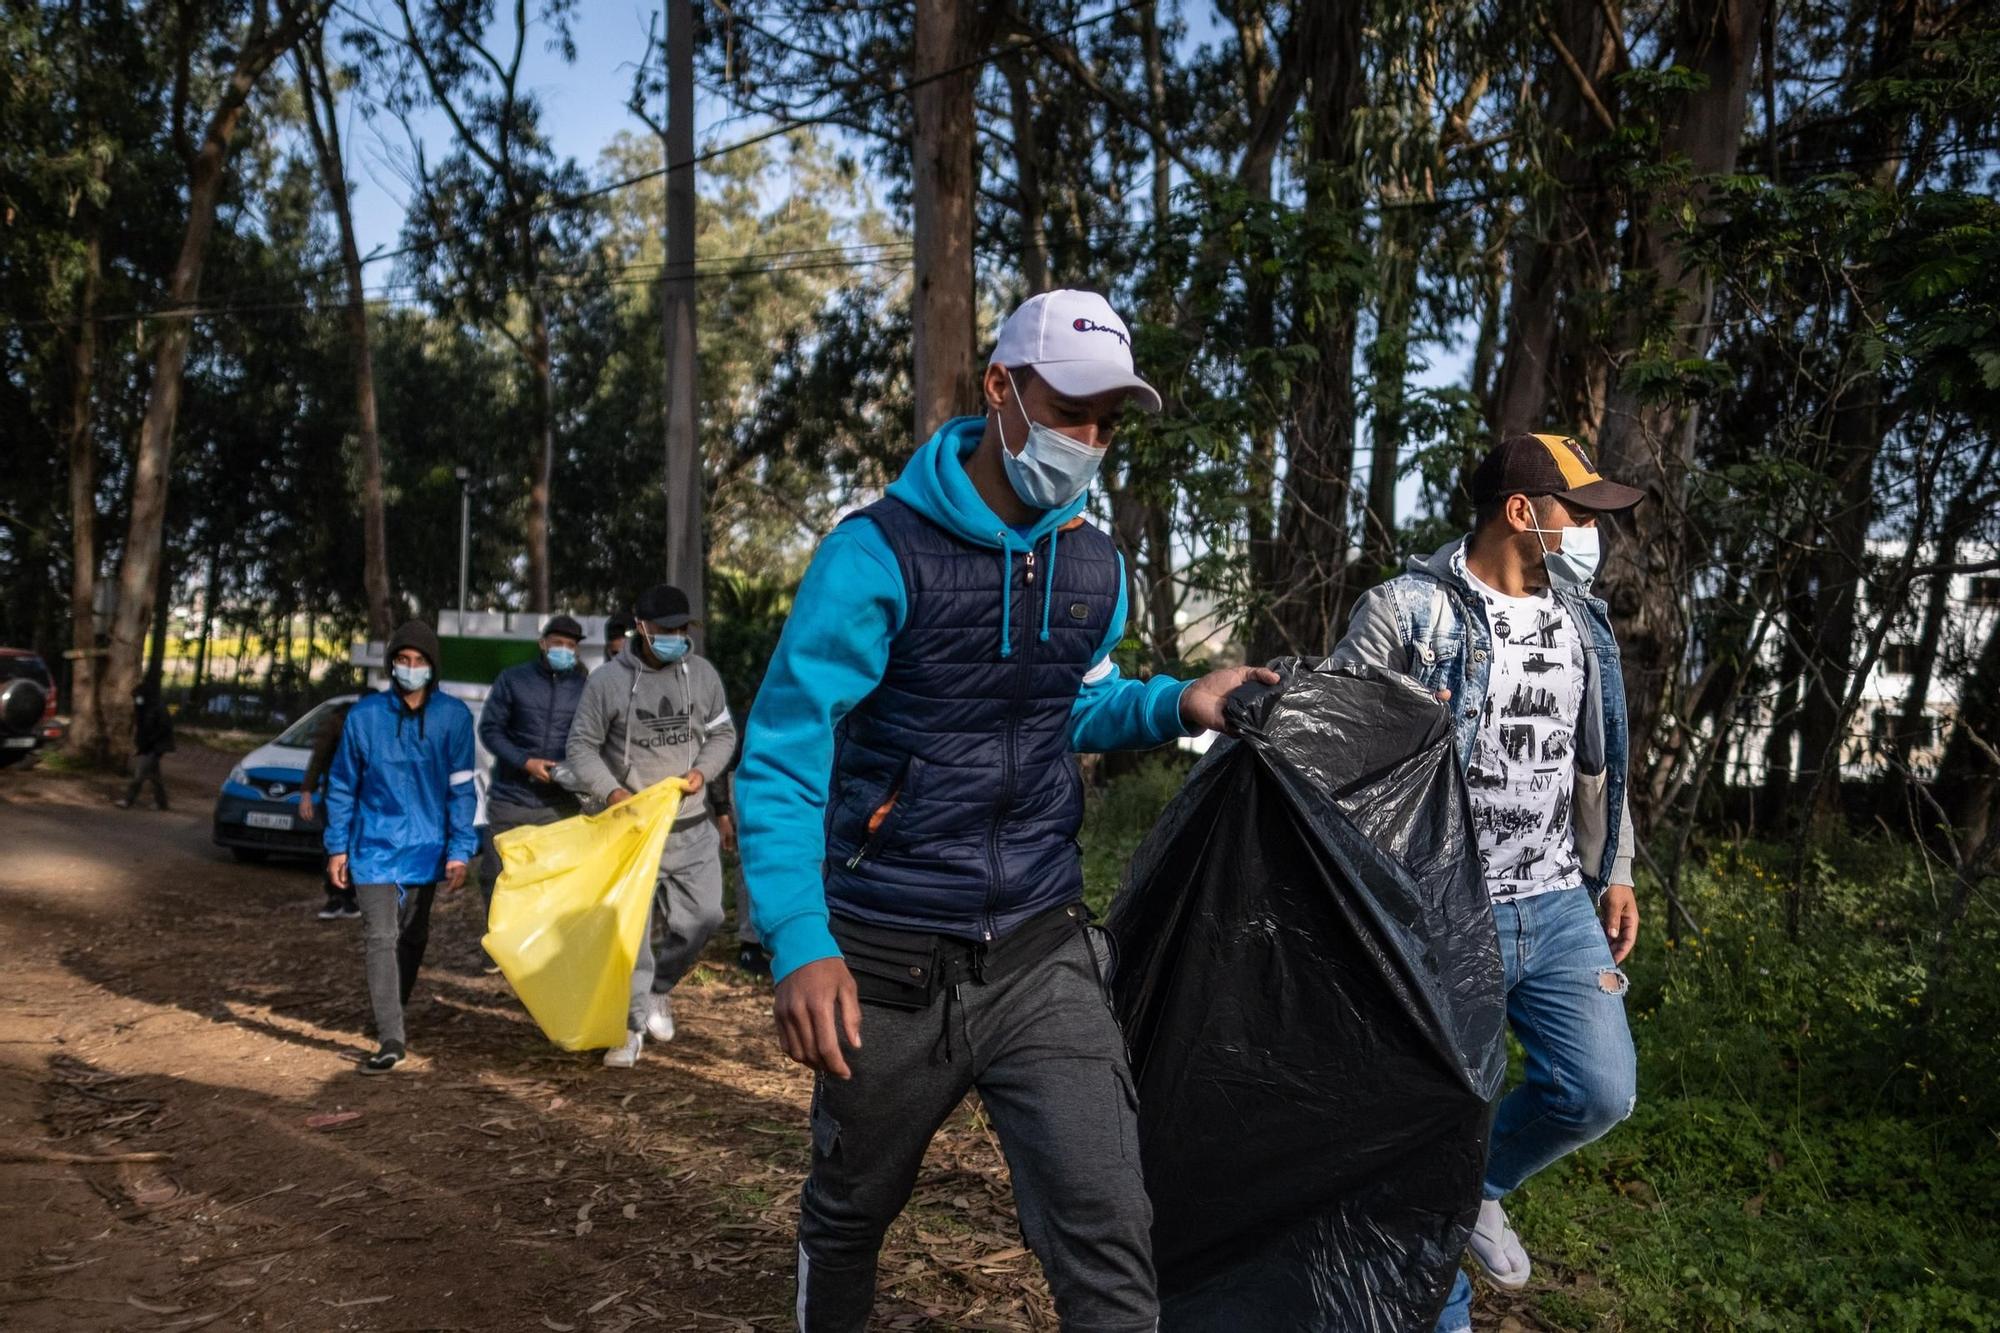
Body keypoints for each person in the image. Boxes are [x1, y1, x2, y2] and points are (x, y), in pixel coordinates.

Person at [735, 289, 1276, 1332]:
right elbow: (784, 753)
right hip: (886, 962)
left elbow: (1066, 704)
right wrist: (800, 938)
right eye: (1069, 408)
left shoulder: (1093, 565)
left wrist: (1177, 701)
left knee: (1108, 1227)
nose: (1087, 440)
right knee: (848, 1215)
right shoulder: (873, 554)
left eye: (1106, 422)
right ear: (999, 389)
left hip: (1038, 947)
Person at [1325, 432, 1644, 1332]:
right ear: (1520, 513)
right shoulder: (1406, 612)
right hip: (1442, 913)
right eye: (1577, 512)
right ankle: (1444, 1313)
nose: (1590, 530)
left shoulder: (1583, 619)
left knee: (1598, 1088)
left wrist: (1612, 869)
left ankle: (1486, 1187)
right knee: (1436, 1127)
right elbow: (1337, 760)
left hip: (1554, 898)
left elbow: (1597, 759)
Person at [565, 585, 737, 1068]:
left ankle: (660, 989)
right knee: (631, 936)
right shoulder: (606, 683)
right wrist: (613, 793)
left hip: (691, 827)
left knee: (704, 918)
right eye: (666, 631)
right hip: (635, 832)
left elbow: (723, 733)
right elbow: (580, 748)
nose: (677, 638)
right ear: (641, 628)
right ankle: (630, 1026)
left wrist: (703, 770)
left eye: (683, 630)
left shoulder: (701, 675)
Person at [323, 621, 478, 1075]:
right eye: (402, 661)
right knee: (379, 937)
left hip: (428, 848)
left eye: (420, 662)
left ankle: (393, 1004)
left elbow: (462, 789)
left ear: (433, 667)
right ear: (392, 665)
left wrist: (459, 849)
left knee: (413, 936)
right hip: (372, 846)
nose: (410, 669)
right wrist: (337, 847)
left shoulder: (454, 718)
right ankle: (391, 1037)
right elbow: (342, 784)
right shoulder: (365, 717)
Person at [477, 614, 588, 902]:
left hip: (561, 807)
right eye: (557, 643)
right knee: (499, 884)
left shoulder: (586, 688)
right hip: (510, 802)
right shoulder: (513, 679)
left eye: (570, 645)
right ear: (542, 643)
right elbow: (490, 729)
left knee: (552, 893)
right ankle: (496, 948)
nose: (564, 650)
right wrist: (525, 761)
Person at [299, 698, 360, 920]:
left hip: (360, 797)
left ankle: (346, 897)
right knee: (336, 846)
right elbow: (318, 759)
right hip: (338, 795)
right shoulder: (338, 723)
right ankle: (338, 896)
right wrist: (307, 791)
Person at [116, 688, 175, 810]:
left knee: (139, 774)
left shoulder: (157, 708)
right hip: (148, 746)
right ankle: (162, 803)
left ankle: (128, 800)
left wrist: (150, 741)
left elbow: (163, 728)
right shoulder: (143, 708)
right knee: (155, 777)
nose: (136, 700)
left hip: (155, 746)